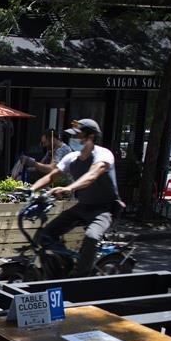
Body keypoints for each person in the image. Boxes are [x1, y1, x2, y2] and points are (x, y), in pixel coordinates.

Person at [29, 118, 121, 277]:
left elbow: (92, 175)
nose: (73, 139)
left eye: (77, 135)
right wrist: (31, 190)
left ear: (90, 137)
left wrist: (69, 188)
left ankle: (79, 277)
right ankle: (64, 265)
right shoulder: (72, 158)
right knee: (45, 235)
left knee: (91, 237)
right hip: (83, 206)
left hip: (105, 209)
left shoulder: (103, 154)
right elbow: (51, 176)